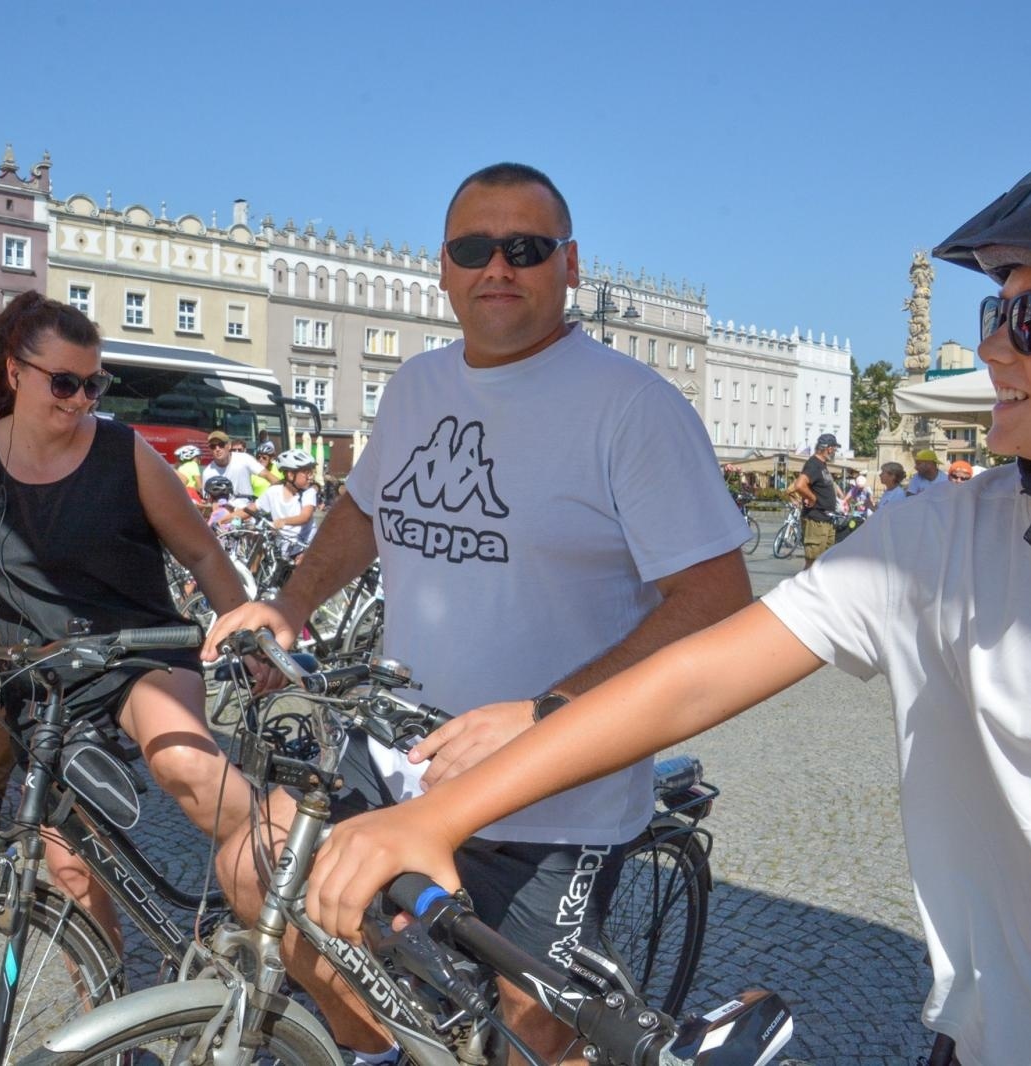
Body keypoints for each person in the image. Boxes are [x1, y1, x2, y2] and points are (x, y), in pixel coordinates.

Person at [301, 131, 1031, 1066]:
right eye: (991, 314)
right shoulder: (934, 536)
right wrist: (437, 815)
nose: (991, 349)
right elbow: (699, 676)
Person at [209, 161, 751, 1065]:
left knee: (530, 1028)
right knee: (251, 872)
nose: (498, 266)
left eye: (526, 248)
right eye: (474, 248)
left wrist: (546, 710)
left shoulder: (632, 407)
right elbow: (367, 508)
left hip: (554, 783)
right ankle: (377, 1049)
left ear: (569, 265)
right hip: (397, 751)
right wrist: (293, 602)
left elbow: (716, 599)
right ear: (444, 269)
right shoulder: (419, 385)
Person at [0, 290, 255, 948]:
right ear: (16, 372)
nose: (81, 401)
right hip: (39, 675)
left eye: (93, 383)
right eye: (66, 383)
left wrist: (248, 631)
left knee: (186, 763)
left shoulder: (123, 452)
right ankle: (111, 1028)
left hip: (139, 652)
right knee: (70, 868)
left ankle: (301, 890)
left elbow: (201, 551)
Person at [240, 448, 318, 547]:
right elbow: (250, 509)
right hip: (281, 546)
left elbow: (305, 517)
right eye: (307, 473)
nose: (310, 477)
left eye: (311, 473)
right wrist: (222, 520)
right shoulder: (274, 491)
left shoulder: (309, 492)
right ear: (290, 475)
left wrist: (284, 521)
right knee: (258, 546)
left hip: (306, 545)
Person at [786, 431, 841, 569]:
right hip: (816, 520)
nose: (835, 452)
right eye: (834, 449)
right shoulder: (814, 464)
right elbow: (799, 485)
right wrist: (812, 497)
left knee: (823, 563)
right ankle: (803, 589)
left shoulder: (822, 465)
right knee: (813, 564)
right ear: (828, 448)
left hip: (826, 520)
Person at [202, 429, 278, 507]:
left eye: (221, 445)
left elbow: (268, 475)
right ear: (210, 449)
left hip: (247, 511)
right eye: (213, 446)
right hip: (225, 513)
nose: (217, 449)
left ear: (229, 446)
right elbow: (208, 501)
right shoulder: (208, 473)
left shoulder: (244, 459)